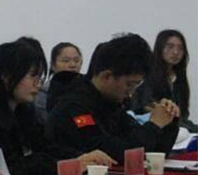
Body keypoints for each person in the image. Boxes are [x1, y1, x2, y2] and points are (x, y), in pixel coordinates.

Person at [0, 41, 115, 175]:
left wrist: (80, 158)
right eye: (32, 75)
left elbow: (46, 145)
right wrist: (69, 165)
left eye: (40, 77)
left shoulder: (24, 110)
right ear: (7, 75)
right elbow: (4, 166)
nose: (38, 84)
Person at [48, 34, 180, 163]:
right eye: (129, 84)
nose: (131, 92)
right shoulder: (73, 106)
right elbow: (115, 153)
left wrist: (168, 120)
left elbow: (154, 153)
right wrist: (154, 126)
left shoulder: (111, 104)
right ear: (107, 76)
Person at [132, 30, 195, 132]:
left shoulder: (178, 79)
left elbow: (183, 113)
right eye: (170, 47)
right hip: (150, 126)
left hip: (177, 126)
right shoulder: (147, 75)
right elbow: (143, 106)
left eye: (180, 48)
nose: (176, 52)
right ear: (160, 48)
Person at [34, 43, 83, 125]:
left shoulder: (86, 90)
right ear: (53, 65)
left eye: (76, 61)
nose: (72, 65)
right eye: (66, 61)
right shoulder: (43, 93)